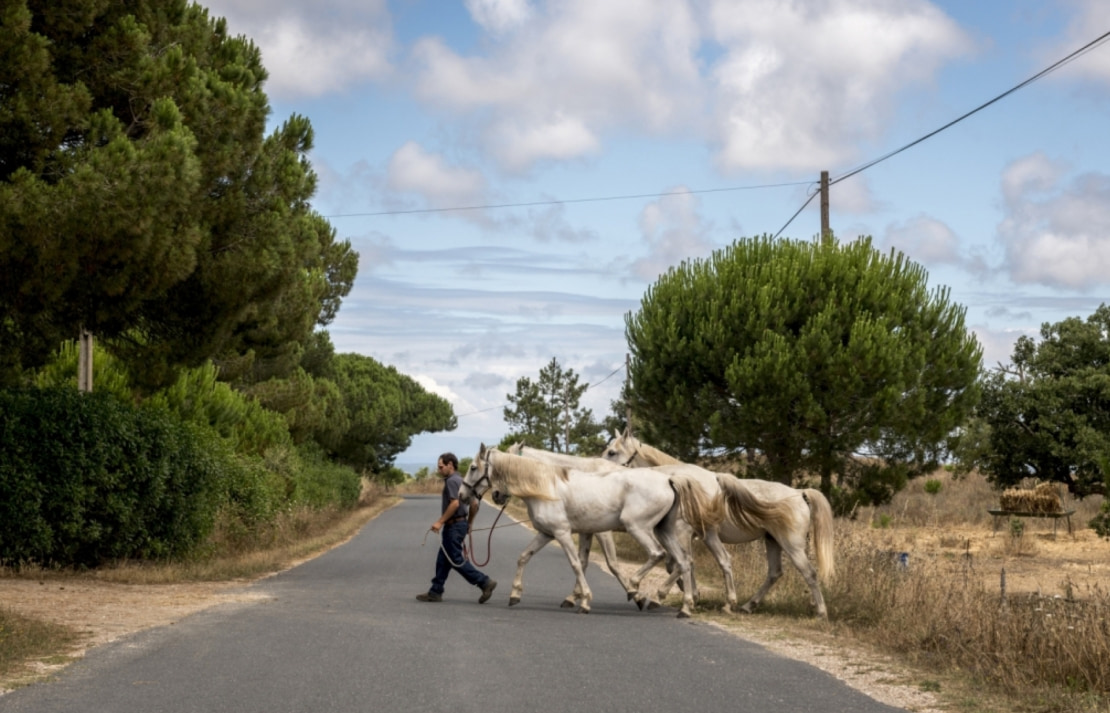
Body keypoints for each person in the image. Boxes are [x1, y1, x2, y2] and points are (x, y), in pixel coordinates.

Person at [416, 452, 497, 604]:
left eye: (441, 467)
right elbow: (474, 504)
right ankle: (435, 591)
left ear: (450, 465)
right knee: (443, 559)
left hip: (453, 526)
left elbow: (454, 504)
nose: (439, 470)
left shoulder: (452, 481)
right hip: (460, 524)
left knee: (455, 560)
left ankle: (484, 582)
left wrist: (440, 522)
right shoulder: (463, 481)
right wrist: (469, 523)